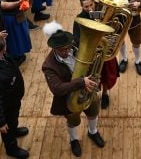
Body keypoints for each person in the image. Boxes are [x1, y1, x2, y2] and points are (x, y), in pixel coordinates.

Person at [42, 23, 105, 157]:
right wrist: (81, 82)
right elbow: (57, 89)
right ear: (55, 48)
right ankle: (74, 139)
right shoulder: (49, 66)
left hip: (88, 90)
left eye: (68, 48)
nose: (67, 51)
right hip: (68, 99)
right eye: (62, 50)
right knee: (73, 121)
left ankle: (92, 132)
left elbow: (92, 63)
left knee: (93, 111)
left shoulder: (76, 48)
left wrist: (95, 76)